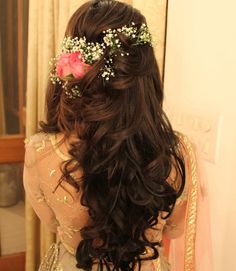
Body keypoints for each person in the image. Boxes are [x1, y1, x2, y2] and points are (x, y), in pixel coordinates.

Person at [23, 0, 212, 270]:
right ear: (145, 73)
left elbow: (52, 223)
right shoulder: (176, 150)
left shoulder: (40, 151)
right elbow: (174, 230)